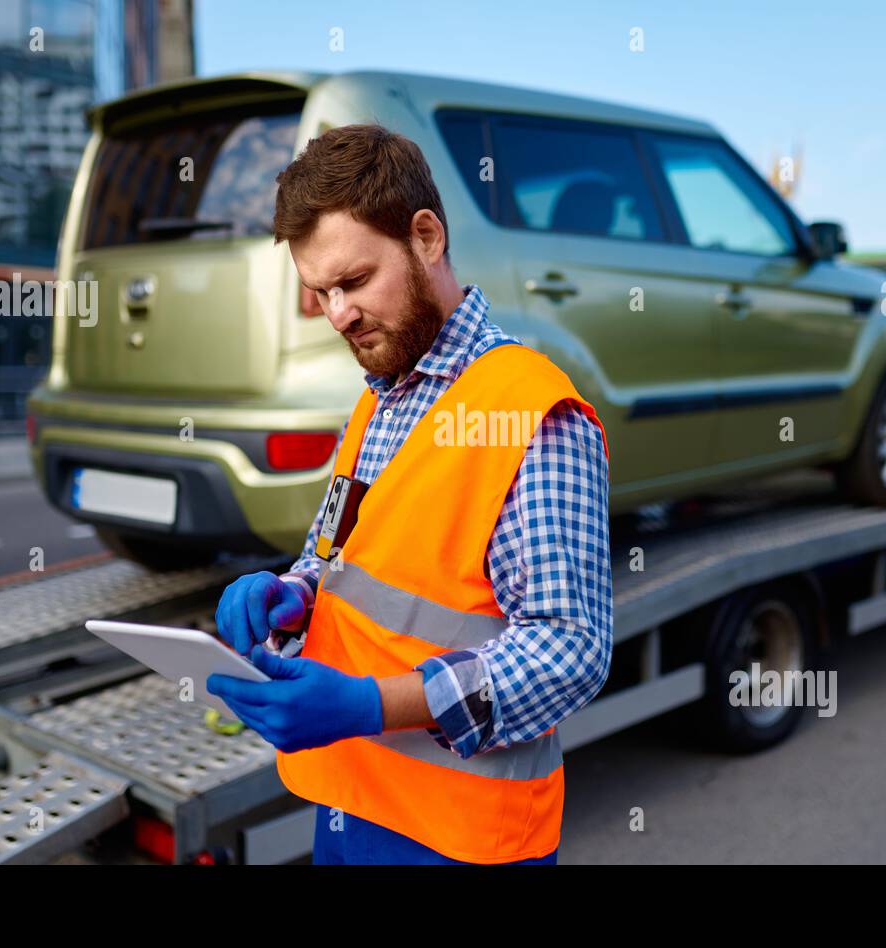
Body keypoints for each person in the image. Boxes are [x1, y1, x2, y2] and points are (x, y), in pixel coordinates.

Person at [207, 123, 612, 865]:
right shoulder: (378, 401)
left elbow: (571, 650)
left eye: (354, 282)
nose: (338, 315)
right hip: (355, 803)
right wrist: (293, 591)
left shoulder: (530, 411)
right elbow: (342, 557)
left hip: (466, 839)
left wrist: (369, 706)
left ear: (426, 236)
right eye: (320, 292)